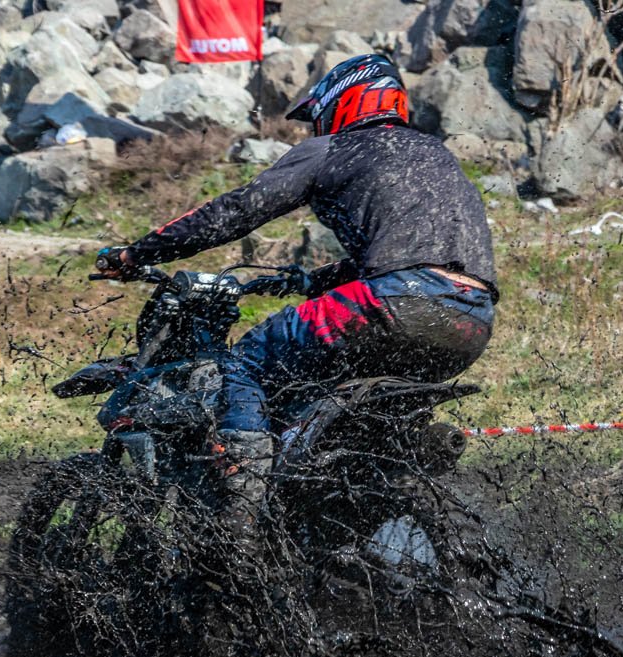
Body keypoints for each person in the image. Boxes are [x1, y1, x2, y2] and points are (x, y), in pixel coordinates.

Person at [96, 54, 497, 527]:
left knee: (244, 362)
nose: (315, 130)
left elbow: (238, 210)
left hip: (394, 303)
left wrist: (138, 253)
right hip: (471, 318)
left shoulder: (337, 148)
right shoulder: (434, 155)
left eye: (318, 119)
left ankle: (238, 518)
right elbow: (416, 258)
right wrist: (309, 281)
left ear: (341, 104)